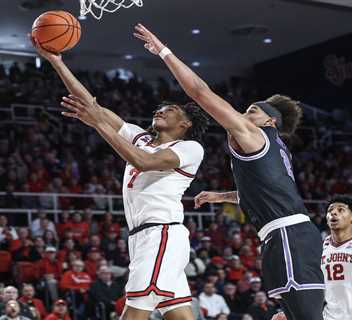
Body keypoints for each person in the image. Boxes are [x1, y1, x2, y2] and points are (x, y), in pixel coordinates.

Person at [133, 23, 325, 320]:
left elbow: (199, 92)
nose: (244, 114)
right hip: (283, 235)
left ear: (269, 122)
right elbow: (265, 189)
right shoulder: (274, 148)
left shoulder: (253, 133)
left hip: (290, 236)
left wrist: (164, 51)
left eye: (252, 111)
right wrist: (221, 195)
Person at [33, 32, 208, 320]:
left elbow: (142, 161)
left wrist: (99, 125)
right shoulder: (140, 137)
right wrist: (57, 62)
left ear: (186, 123)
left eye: (171, 109)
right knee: (178, 315)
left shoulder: (189, 148)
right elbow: (94, 107)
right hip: (143, 236)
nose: (161, 110)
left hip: (161, 233)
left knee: (132, 313)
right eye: (159, 108)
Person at [273, 195, 352, 320]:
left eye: (340, 210)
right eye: (330, 210)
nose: (333, 213)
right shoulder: (321, 247)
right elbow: (313, 286)